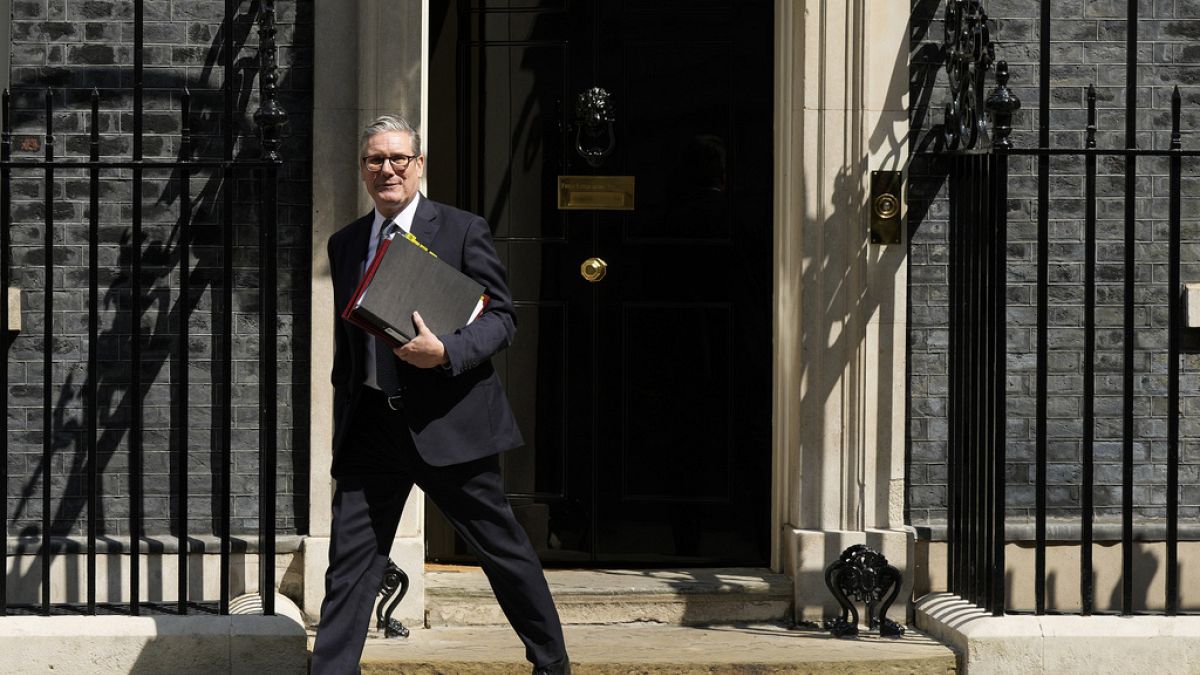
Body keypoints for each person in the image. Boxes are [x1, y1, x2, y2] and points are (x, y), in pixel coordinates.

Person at [311, 114, 570, 675]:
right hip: (373, 428)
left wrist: (447, 352)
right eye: (375, 160)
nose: (387, 169)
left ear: (419, 165)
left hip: (451, 422)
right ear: (362, 170)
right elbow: (346, 350)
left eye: (398, 158)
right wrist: (343, 421)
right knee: (350, 565)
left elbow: (503, 318)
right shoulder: (345, 242)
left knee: (503, 554)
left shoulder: (460, 229)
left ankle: (552, 665)